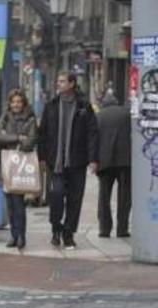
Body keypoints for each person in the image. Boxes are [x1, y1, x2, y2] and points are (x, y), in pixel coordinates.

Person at [37, 71, 99, 249]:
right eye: (58, 81)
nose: (58, 83)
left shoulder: (84, 106)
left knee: (75, 199)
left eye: (62, 81)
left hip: (77, 162)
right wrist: (42, 157)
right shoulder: (51, 105)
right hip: (55, 162)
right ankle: (56, 228)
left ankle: (68, 233)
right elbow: (43, 133)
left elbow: (92, 134)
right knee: (56, 195)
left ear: (72, 84)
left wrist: (93, 159)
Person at [0, 89, 39, 249]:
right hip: (6, 164)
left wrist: (8, 139)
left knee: (18, 203)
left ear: (23, 103)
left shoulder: (30, 119)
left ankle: (21, 236)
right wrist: (18, 138)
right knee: (10, 204)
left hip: (21, 165)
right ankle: (13, 235)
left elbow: (30, 142)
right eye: (13, 102)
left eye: (19, 102)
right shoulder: (5, 117)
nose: (16, 105)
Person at [96, 91, 131, 237]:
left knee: (104, 197)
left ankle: (105, 229)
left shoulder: (99, 116)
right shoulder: (126, 113)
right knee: (125, 196)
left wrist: (93, 160)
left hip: (105, 161)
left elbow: (94, 139)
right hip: (125, 160)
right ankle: (122, 229)